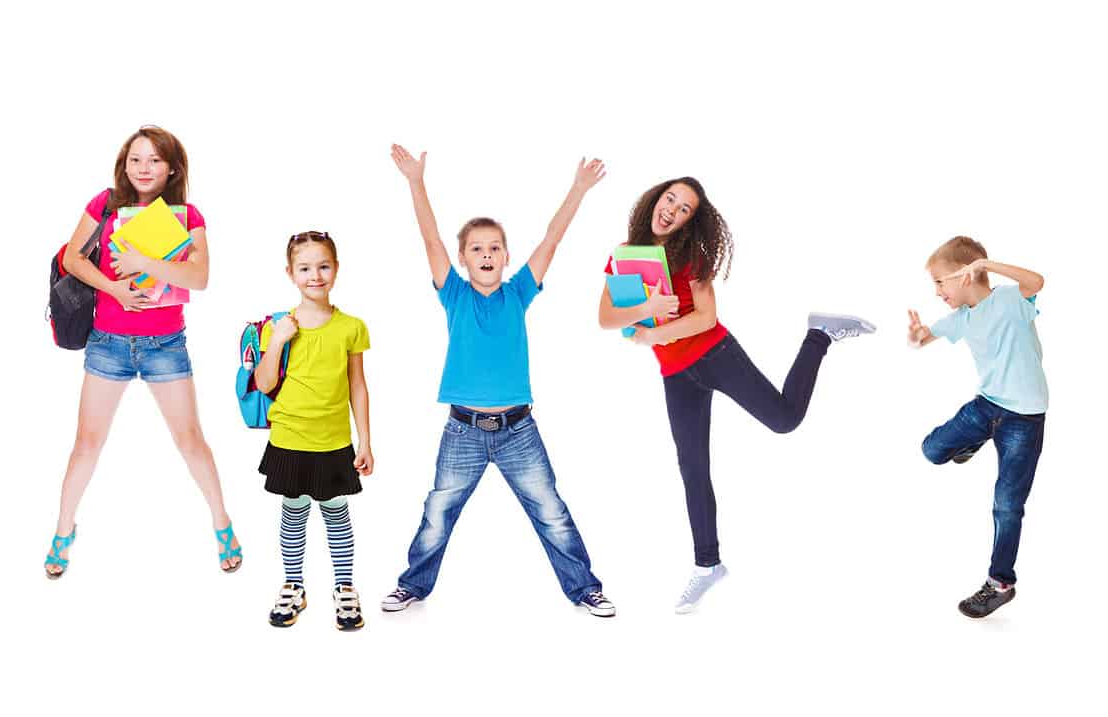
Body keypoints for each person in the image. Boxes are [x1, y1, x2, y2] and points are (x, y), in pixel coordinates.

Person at [597, 177, 875, 613]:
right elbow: (607, 318)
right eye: (670, 198)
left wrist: (654, 333)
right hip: (675, 375)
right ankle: (707, 565)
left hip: (715, 354)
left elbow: (705, 319)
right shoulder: (627, 257)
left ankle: (818, 335)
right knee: (692, 468)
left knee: (785, 420)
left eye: (685, 208)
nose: (672, 209)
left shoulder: (691, 256)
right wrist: (644, 314)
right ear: (655, 200)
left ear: (691, 219)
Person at [382, 144, 615, 617]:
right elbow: (431, 242)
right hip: (463, 431)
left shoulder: (519, 292)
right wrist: (415, 182)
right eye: (476, 249)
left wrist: (578, 189)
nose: (485, 254)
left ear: (506, 257)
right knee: (437, 514)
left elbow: (551, 240)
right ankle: (413, 586)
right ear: (464, 260)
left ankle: (584, 588)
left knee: (551, 511)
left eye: (494, 248)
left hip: (518, 431)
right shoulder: (455, 295)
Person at [45, 126, 242, 578]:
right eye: (136, 160)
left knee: (190, 441)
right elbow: (73, 259)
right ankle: (62, 529)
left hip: (165, 345)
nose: (143, 169)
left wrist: (142, 264)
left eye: (153, 160)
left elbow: (199, 277)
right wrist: (114, 285)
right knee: (86, 445)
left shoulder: (188, 215)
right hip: (108, 343)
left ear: (172, 167)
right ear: (124, 164)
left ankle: (222, 522)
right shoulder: (106, 203)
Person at [908, 235, 1047, 618]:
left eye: (940, 282)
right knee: (932, 450)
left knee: (1007, 504)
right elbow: (925, 339)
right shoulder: (962, 318)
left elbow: (1037, 281)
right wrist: (918, 336)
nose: (936, 291)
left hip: (1024, 418)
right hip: (987, 408)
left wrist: (988, 265)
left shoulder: (1011, 301)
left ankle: (1000, 583)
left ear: (966, 275)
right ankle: (971, 442)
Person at [255, 231, 373, 631]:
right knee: (293, 511)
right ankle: (293, 586)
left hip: (334, 440)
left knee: (336, 512)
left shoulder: (352, 327)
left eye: (323, 266)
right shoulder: (279, 325)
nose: (315, 275)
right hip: (288, 437)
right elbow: (266, 383)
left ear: (336, 270)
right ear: (290, 273)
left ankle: (344, 588)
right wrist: (277, 341)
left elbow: (358, 385)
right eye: (305, 268)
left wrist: (366, 441)